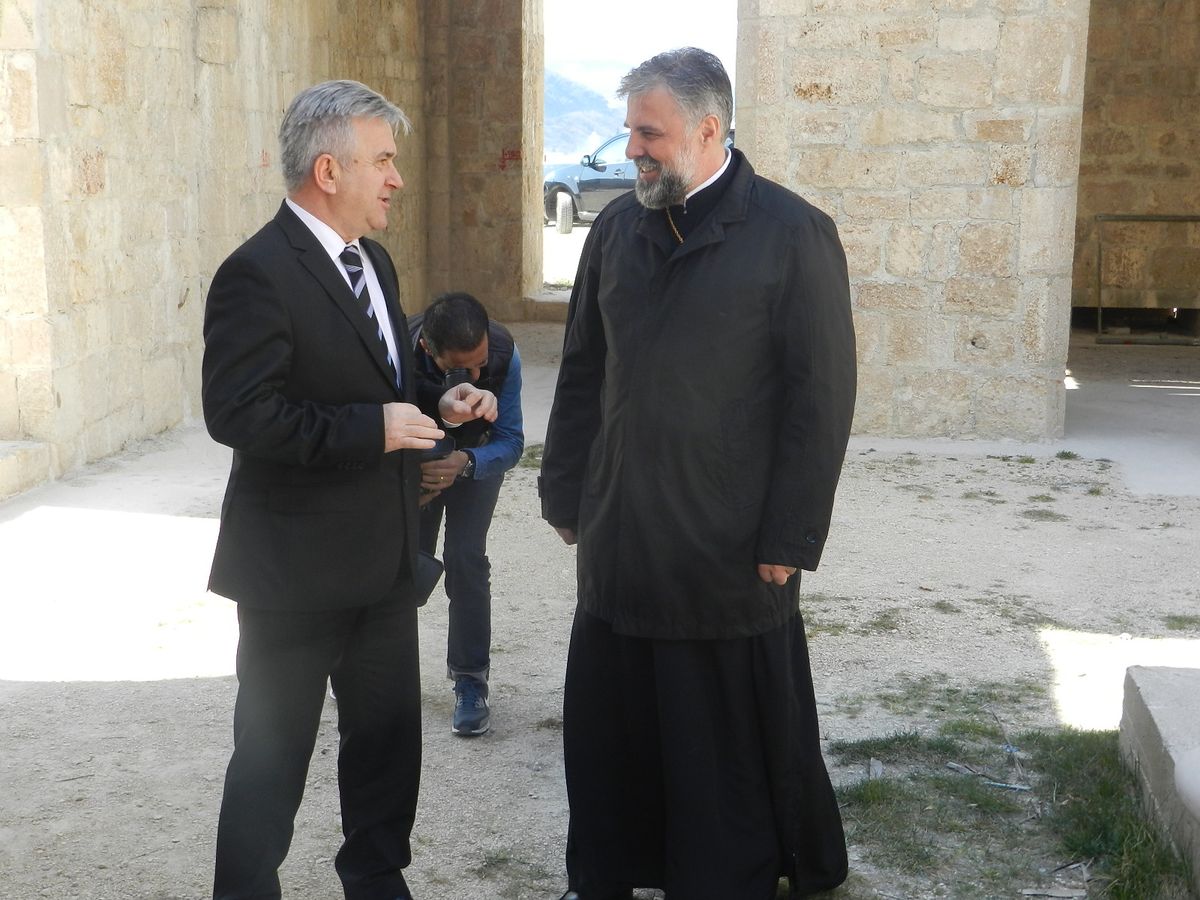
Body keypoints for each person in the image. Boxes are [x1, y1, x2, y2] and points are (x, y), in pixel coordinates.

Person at [538, 48, 857, 900]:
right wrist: (564, 488)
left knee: (716, 742)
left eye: (650, 133)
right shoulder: (614, 230)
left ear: (708, 129)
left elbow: (820, 398)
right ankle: (610, 871)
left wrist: (791, 533)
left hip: (728, 541)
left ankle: (722, 877)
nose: (632, 149)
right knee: (614, 727)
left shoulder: (793, 234)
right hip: (622, 531)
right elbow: (582, 369)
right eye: (630, 132)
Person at [202, 79, 497, 900]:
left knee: (388, 751)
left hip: (384, 564)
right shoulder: (256, 273)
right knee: (271, 762)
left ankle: (376, 883)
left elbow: (380, 381)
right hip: (295, 576)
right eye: (383, 161)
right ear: (329, 171)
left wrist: (439, 401)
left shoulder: (376, 260)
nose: (396, 178)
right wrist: (372, 429)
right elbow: (238, 412)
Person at [408, 291, 525, 736]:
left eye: (480, 365)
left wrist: (467, 463)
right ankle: (370, 665)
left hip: (476, 458)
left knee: (466, 560)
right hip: (414, 461)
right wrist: (413, 474)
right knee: (403, 561)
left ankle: (471, 680)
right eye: (459, 369)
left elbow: (511, 441)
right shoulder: (398, 349)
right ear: (427, 348)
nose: (474, 378)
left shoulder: (504, 352)